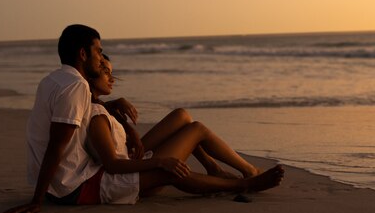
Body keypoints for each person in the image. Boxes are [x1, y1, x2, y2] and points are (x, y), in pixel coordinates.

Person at [82, 57, 285, 204]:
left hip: (131, 158)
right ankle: (249, 173)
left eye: (111, 71)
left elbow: (100, 112)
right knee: (196, 129)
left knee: (181, 116)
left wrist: (117, 106)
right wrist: (159, 161)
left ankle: (213, 167)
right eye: (106, 71)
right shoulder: (95, 115)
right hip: (134, 172)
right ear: (90, 78)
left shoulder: (97, 106)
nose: (112, 78)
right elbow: (112, 163)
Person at [1, 24, 136, 213]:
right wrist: (36, 201)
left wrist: (116, 108)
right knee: (165, 172)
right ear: (83, 54)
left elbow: (89, 106)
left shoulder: (52, 79)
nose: (101, 60)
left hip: (56, 186)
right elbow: (56, 145)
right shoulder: (76, 86)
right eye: (98, 52)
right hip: (74, 187)